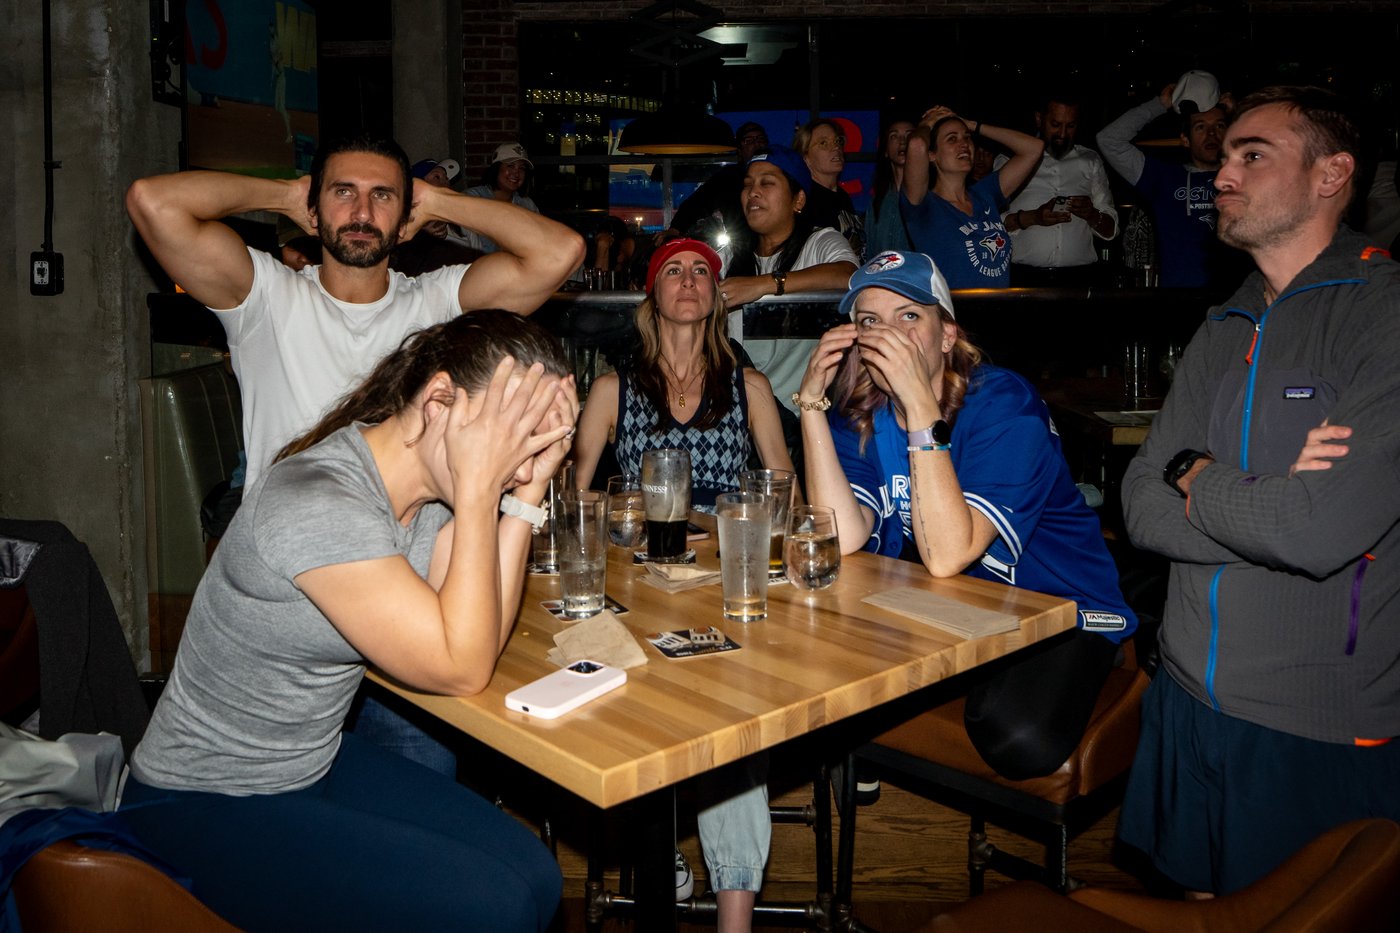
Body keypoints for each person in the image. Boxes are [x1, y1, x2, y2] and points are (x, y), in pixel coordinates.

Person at [126, 134, 584, 776]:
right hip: (299, 580)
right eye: (343, 193)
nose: (362, 211)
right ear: (316, 210)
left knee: (421, 789)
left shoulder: (436, 306)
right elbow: (153, 202)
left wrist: (442, 200)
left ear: (405, 221)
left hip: (416, 569)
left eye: (382, 198)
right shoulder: (268, 296)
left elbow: (560, 252)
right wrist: (288, 196)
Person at [117, 310, 577, 932]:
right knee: (494, 903)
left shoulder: (428, 492)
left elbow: (479, 639)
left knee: (538, 876)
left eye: (535, 448)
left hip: (310, 761)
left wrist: (525, 495)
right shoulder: (318, 503)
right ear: (439, 401)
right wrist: (480, 489)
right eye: (514, 443)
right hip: (201, 797)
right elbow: (461, 669)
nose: (519, 468)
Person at [1119, 85, 1400, 896]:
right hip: (1185, 698)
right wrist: (1267, 499)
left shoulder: (1383, 313)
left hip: (1312, 725)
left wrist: (1197, 477)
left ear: (1330, 174)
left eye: (1252, 155)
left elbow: (1317, 531)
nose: (1221, 171)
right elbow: (1140, 502)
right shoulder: (1224, 320)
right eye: (1225, 153)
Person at [798, 250, 1136, 780]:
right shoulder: (862, 412)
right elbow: (838, 536)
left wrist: (919, 411)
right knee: (808, 670)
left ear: (947, 336)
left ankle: (1092, 662)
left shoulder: (1001, 401)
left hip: (1057, 603)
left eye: (910, 316)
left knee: (1018, 738)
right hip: (955, 607)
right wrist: (811, 405)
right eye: (870, 321)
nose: (889, 335)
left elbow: (949, 553)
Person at [573, 238, 794, 505]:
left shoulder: (749, 386)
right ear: (653, 297)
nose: (688, 280)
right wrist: (619, 503)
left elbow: (788, 496)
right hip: (648, 543)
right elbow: (575, 497)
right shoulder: (611, 390)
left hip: (727, 543)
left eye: (700, 271)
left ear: (714, 296)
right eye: (674, 270)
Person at [717, 146, 859, 418]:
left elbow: (849, 276)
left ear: (798, 200)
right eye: (748, 185)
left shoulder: (819, 242)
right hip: (736, 412)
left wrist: (765, 284)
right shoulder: (730, 255)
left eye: (767, 183)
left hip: (801, 413)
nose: (753, 192)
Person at [1096, 75, 1236, 289]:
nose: (1211, 134)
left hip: (1235, 302)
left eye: (1219, 125)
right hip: (1177, 301)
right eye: (1200, 127)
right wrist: (1159, 105)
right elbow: (1109, 140)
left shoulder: (1246, 178)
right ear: (1185, 139)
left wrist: (1241, 112)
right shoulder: (1163, 178)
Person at [901, 106, 1045, 289]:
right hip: (954, 315)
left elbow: (1034, 148)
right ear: (932, 155)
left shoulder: (985, 194)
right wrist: (927, 123)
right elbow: (916, 145)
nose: (964, 144)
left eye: (967, 138)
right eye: (952, 139)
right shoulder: (924, 205)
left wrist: (971, 125)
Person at [1002, 94, 1119, 286]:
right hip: (1024, 279)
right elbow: (991, 225)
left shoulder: (1090, 160)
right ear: (1039, 119)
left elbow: (1111, 229)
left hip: (1080, 280)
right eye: (1055, 124)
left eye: (1071, 126)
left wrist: (1091, 214)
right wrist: (1034, 217)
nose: (1063, 134)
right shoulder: (1010, 160)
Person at [662, 121, 770, 246]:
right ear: (739, 150)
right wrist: (675, 229)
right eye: (749, 140)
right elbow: (697, 203)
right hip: (744, 249)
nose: (757, 144)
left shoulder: (781, 175)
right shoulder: (728, 177)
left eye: (760, 139)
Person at [794, 117, 865, 259]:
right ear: (805, 157)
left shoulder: (842, 195)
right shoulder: (805, 200)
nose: (835, 147)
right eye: (823, 143)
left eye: (837, 141)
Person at [461, 142, 541, 255]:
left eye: (522, 168)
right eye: (510, 166)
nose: (516, 172)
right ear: (496, 168)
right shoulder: (473, 199)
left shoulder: (527, 205)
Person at [864, 118, 916, 256]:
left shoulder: (930, 198)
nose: (902, 141)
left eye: (909, 135)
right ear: (886, 150)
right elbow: (871, 253)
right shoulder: (877, 202)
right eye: (894, 136)